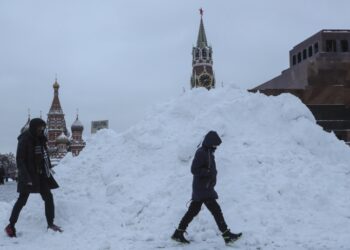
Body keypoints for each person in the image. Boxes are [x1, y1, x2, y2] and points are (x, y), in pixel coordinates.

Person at [172, 131, 242, 244]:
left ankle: (178, 233)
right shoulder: (201, 153)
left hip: (204, 188)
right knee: (216, 211)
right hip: (203, 189)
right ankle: (227, 235)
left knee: (193, 211)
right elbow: (194, 169)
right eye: (215, 144)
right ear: (210, 142)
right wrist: (208, 172)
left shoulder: (209, 152)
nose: (216, 147)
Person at [4, 118, 62, 237]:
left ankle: (50, 223)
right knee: (22, 201)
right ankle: (10, 226)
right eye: (39, 127)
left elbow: (44, 155)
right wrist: (26, 178)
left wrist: (48, 168)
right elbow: (20, 159)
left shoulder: (40, 138)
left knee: (48, 197)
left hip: (40, 175)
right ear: (33, 127)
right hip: (28, 176)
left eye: (43, 127)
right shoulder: (25, 139)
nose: (41, 129)